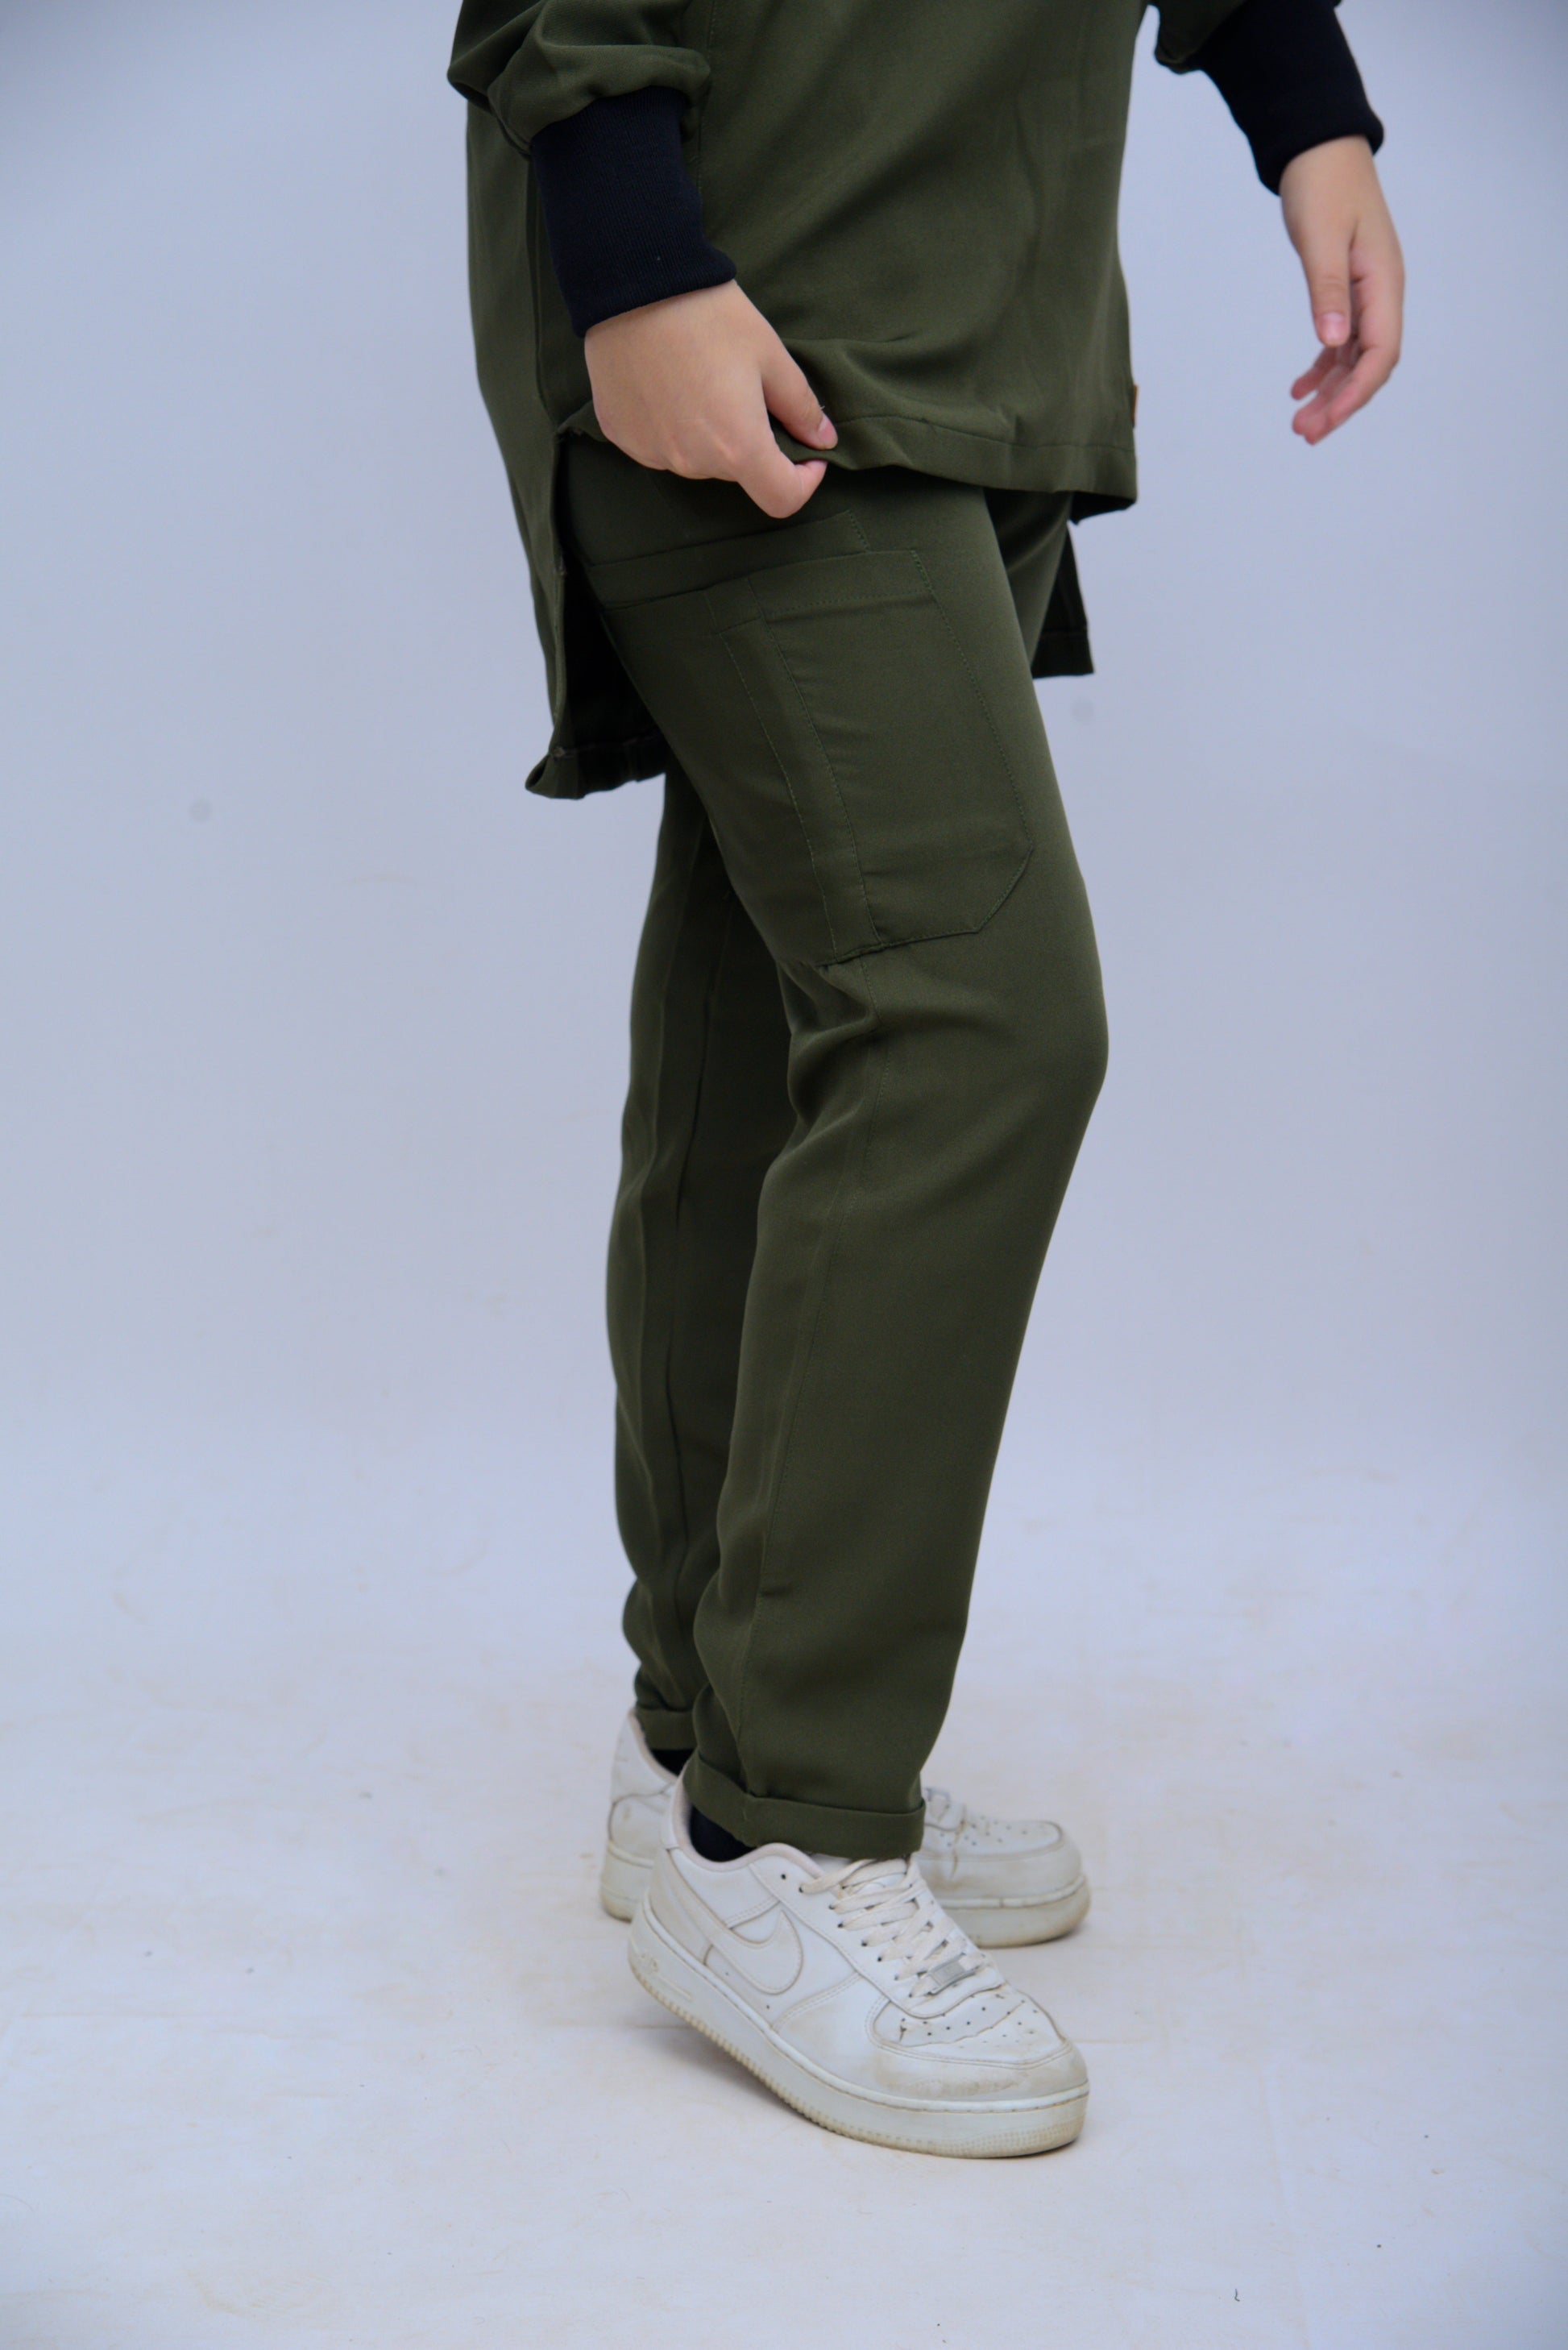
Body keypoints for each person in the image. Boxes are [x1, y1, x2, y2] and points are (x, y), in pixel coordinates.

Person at [448, 0, 1402, 2157]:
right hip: (744, 270)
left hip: (979, 310)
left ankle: (702, 1744)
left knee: (781, 1002)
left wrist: (1302, 106)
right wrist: (629, 244)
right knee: (976, 1019)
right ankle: (782, 1828)